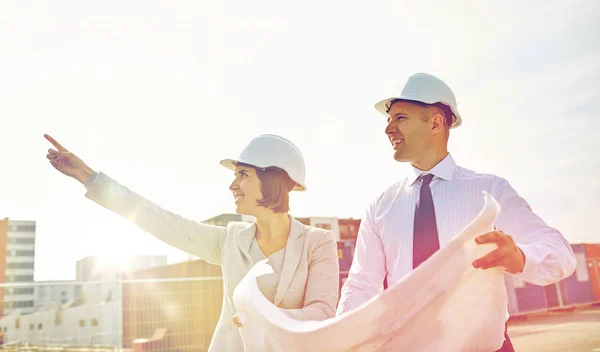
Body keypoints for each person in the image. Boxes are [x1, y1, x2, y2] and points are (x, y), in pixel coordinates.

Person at [336, 73, 576, 351]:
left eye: (400, 118)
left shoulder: (490, 190)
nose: (388, 129)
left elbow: (560, 253)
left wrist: (521, 257)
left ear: (435, 122)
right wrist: (342, 339)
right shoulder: (380, 207)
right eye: (388, 120)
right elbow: (362, 285)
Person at [44, 133, 339, 352]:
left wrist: (261, 317)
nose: (232, 185)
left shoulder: (318, 243)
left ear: (272, 179)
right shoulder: (228, 239)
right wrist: (87, 176)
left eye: (243, 175)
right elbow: (160, 220)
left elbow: (322, 312)